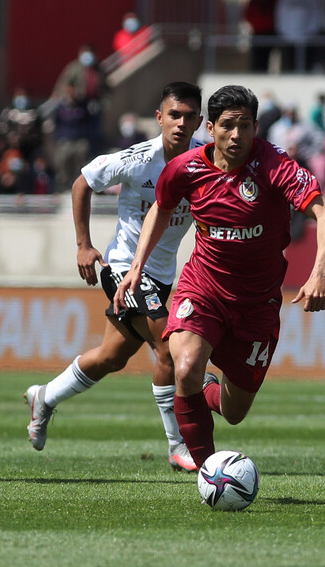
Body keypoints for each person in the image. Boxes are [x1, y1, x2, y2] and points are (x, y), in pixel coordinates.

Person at [113, 85, 325, 469]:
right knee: (183, 365)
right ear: (211, 127)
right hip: (203, 287)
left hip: (257, 302)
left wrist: (320, 274)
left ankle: (207, 391)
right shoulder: (186, 168)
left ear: (256, 127)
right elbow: (161, 208)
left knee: (235, 411)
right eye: (228, 126)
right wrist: (137, 265)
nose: (237, 136)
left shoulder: (274, 166)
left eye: (246, 126)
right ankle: (209, 472)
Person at [24, 82, 205, 472]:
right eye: (174, 114)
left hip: (161, 276)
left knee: (111, 357)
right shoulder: (138, 159)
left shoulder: (205, 162)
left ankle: (45, 397)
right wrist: (83, 245)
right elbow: (82, 183)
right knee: (168, 350)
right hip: (123, 267)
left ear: (200, 122)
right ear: (159, 118)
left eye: (190, 116)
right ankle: (178, 445)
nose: (181, 122)